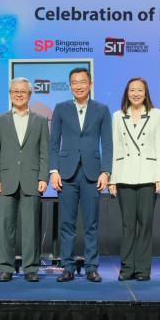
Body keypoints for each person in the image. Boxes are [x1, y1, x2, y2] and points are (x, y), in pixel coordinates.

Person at [49, 67, 112, 282]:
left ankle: (91, 267)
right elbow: (53, 143)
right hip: (66, 174)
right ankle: (67, 267)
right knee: (66, 223)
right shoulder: (60, 109)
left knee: (91, 224)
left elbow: (108, 144)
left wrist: (106, 172)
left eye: (82, 82)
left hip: (92, 174)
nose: (78, 86)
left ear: (90, 84)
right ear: (69, 86)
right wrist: (54, 170)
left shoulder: (102, 110)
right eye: (74, 82)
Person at [0, 78, 49, 282]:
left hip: (32, 179)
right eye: (15, 91)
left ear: (30, 95)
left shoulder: (40, 120)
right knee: (6, 227)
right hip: (6, 180)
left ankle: (31, 268)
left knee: (31, 228)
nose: (19, 94)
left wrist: (43, 177)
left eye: (23, 91)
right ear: (10, 94)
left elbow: (44, 152)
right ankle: (5, 267)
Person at [108, 77, 160, 281]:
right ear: (127, 93)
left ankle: (142, 269)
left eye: (140, 90)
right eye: (132, 90)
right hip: (124, 175)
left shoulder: (156, 114)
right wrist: (112, 179)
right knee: (128, 225)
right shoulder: (117, 116)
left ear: (145, 93)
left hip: (148, 175)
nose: (136, 93)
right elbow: (115, 147)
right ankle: (127, 267)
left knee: (145, 223)